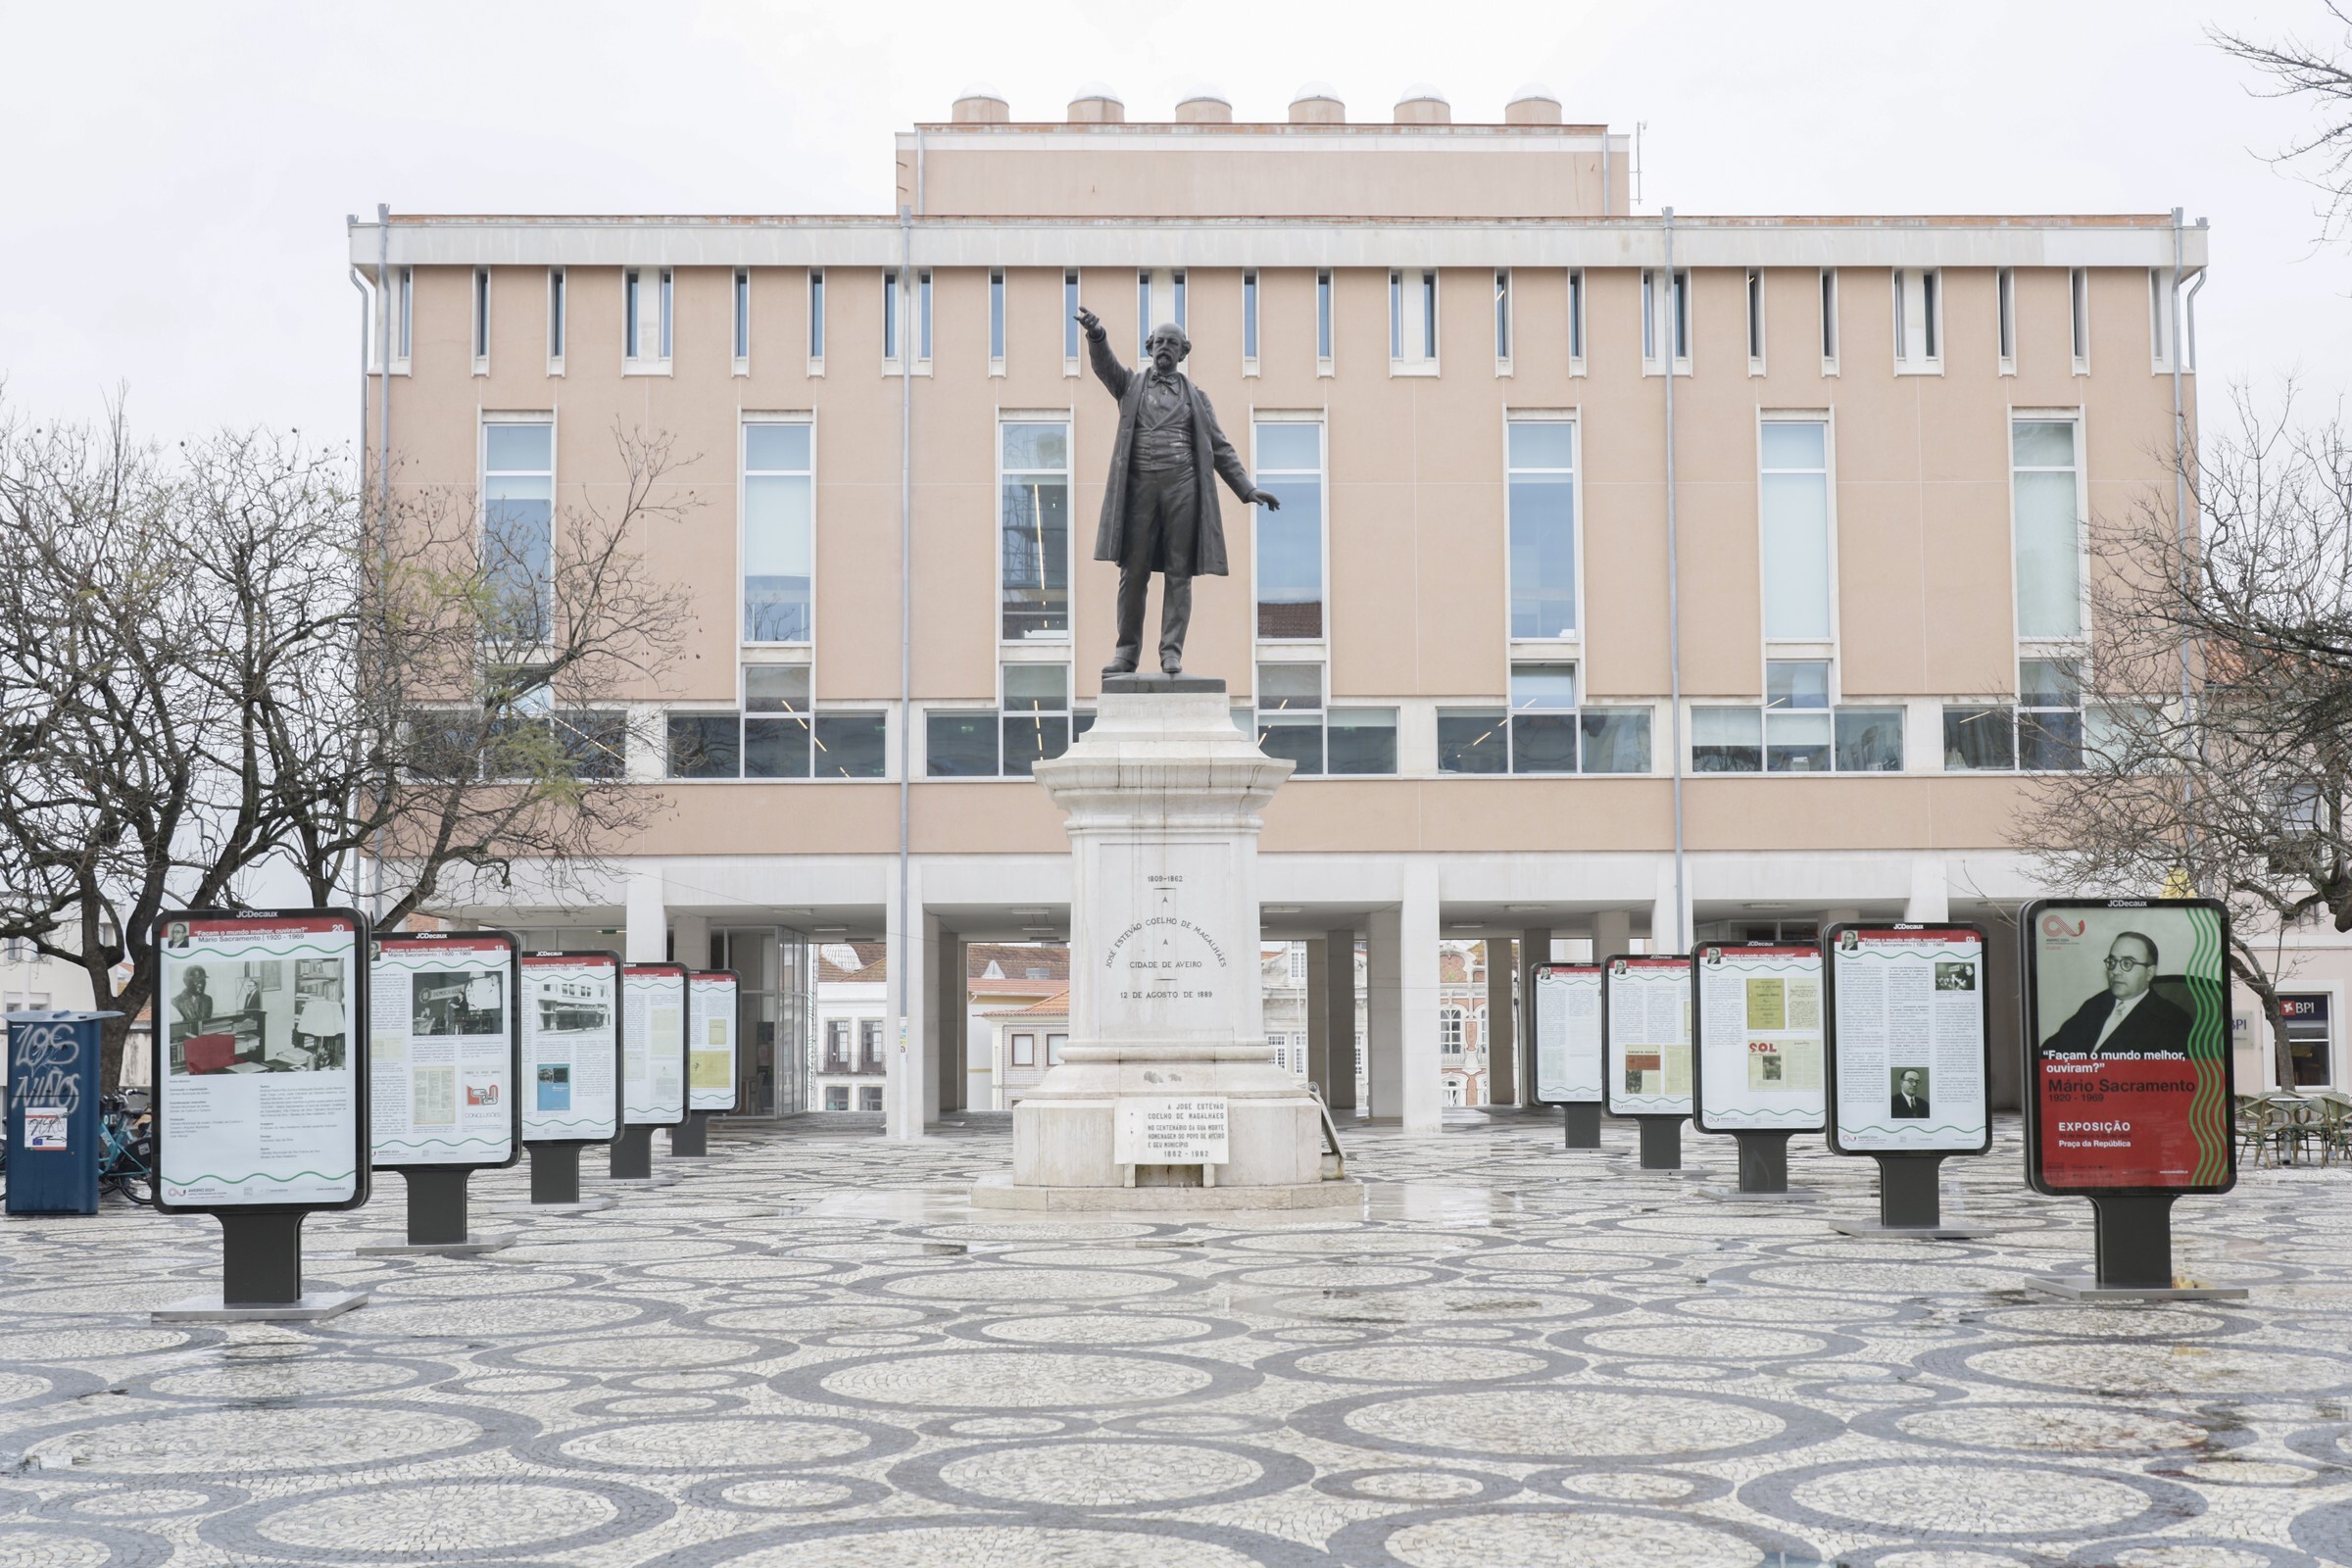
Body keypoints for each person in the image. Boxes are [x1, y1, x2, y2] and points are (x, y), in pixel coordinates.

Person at [1072, 307, 1282, 676]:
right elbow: (1105, 367)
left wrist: (1247, 489)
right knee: (1133, 572)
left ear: (1183, 352)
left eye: (1172, 343)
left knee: (1178, 572)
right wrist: (1097, 336)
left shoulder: (1196, 397)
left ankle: (1171, 651)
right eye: (1159, 341)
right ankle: (1126, 652)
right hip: (1139, 488)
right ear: (1149, 346)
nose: (1165, 347)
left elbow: (1219, 447)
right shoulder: (1130, 385)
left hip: (1182, 487)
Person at [2041, 930, 2191, 1057]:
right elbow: (2050, 1052)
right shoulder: (2096, 1004)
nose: (2115, 971)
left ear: (2149, 973)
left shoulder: (2173, 1021)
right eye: (2112, 962)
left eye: (2127, 963)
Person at [172, 966, 212, 1033]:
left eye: (203, 980)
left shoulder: (208, 1000)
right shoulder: (176, 1001)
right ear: (185, 981)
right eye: (196, 980)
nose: (200, 984)